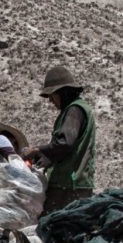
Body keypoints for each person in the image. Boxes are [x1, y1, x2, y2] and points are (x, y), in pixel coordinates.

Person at [23, 66, 96, 213]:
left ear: (63, 93)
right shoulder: (77, 110)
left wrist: (37, 150)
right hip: (76, 185)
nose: (50, 100)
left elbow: (64, 144)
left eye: (52, 95)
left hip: (68, 186)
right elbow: (64, 150)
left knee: (54, 227)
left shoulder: (74, 110)